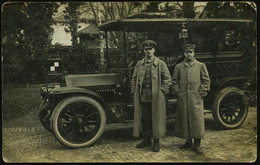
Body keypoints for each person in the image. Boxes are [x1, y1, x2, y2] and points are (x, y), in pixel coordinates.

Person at [131, 40, 171, 152]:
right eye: (146, 49)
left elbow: (167, 79)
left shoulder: (160, 64)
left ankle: (156, 141)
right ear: (143, 50)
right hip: (143, 94)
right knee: (145, 118)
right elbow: (134, 78)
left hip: (156, 96)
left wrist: (162, 91)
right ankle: (147, 139)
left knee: (156, 118)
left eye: (150, 49)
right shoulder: (139, 64)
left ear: (154, 50)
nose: (148, 51)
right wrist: (134, 90)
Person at [172, 44, 211, 154]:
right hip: (183, 98)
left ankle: (197, 144)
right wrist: (178, 92)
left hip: (196, 98)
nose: (188, 54)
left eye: (191, 52)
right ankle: (188, 141)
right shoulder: (178, 67)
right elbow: (174, 81)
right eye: (186, 52)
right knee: (184, 119)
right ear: (184, 53)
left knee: (196, 120)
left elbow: (206, 81)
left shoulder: (200, 65)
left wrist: (201, 93)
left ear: (194, 53)